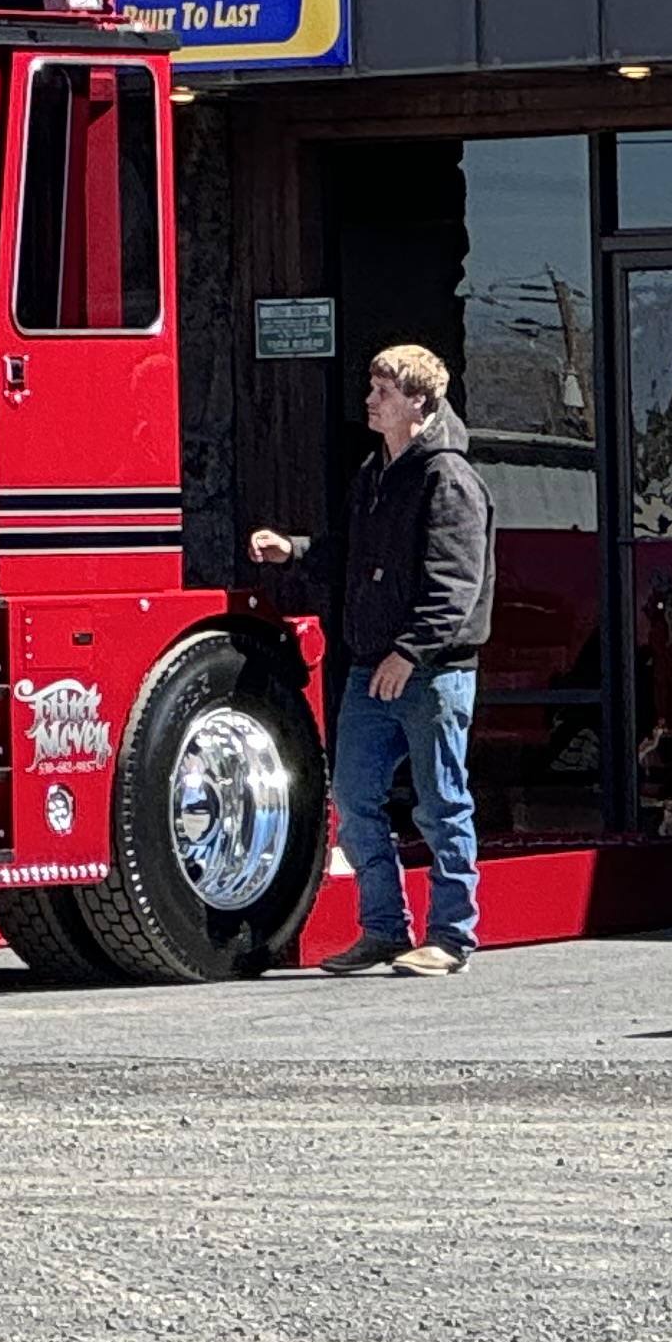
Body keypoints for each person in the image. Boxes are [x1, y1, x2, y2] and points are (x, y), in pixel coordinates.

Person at [248, 343, 498, 975]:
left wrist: (408, 654)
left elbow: (455, 586)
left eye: (384, 391)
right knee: (355, 798)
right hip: (372, 666)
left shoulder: (449, 479)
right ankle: (385, 928)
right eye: (371, 386)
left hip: (434, 673)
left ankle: (452, 936)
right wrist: (296, 551)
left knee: (441, 803)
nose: (370, 400)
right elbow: (350, 555)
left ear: (420, 401)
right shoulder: (374, 472)